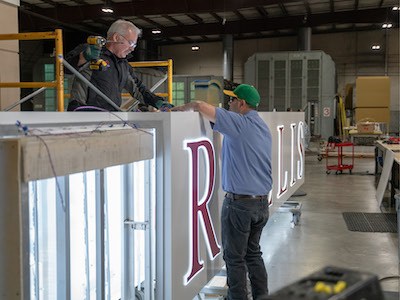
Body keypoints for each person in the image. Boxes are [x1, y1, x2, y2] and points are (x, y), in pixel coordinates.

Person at [172, 84, 272, 299]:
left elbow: (199, 106)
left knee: (234, 258)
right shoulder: (260, 125)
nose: (229, 104)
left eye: (232, 100)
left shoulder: (239, 122)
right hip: (261, 203)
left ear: (242, 104)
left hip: (240, 205)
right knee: (253, 254)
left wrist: (176, 110)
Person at [66, 19, 171, 111]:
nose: (132, 48)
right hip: (83, 112)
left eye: (135, 45)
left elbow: (138, 89)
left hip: (109, 115)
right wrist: (83, 56)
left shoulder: (123, 65)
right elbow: (65, 69)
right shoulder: (92, 51)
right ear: (116, 37)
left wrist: (157, 102)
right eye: (131, 43)